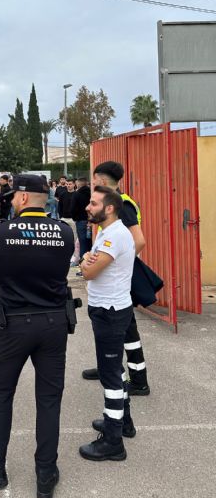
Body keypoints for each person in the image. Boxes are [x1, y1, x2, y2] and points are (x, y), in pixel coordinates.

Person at [0, 174, 74, 498]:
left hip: (13, 325)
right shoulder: (65, 232)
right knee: (49, 399)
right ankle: (46, 473)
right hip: (52, 323)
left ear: (20, 198)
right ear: (45, 198)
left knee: (1, 396)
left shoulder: (0, 233)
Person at [82, 161, 150, 396]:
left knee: (125, 329)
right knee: (124, 328)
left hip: (117, 276)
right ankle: (111, 367)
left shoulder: (122, 205)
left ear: (101, 180)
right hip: (114, 272)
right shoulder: (116, 201)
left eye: (93, 182)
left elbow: (138, 240)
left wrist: (115, 266)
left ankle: (137, 379)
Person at [79, 186, 136, 461]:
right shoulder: (106, 232)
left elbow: (89, 271)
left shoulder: (114, 235)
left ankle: (113, 441)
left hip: (110, 312)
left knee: (110, 374)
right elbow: (89, 264)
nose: (88, 207)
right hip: (108, 309)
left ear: (109, 208)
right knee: (115, 369)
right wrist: (85, 261)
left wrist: (84, 263)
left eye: (93, 203)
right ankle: (123, 421)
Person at [71, 176, 92, 256]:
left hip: (81, 221)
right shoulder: (92, 193)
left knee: (82, 242)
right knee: (91, 241)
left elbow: (73, 209)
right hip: (93, 221)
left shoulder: (76, 194)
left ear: (78, 184)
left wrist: (75, 218)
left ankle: (83, 261)